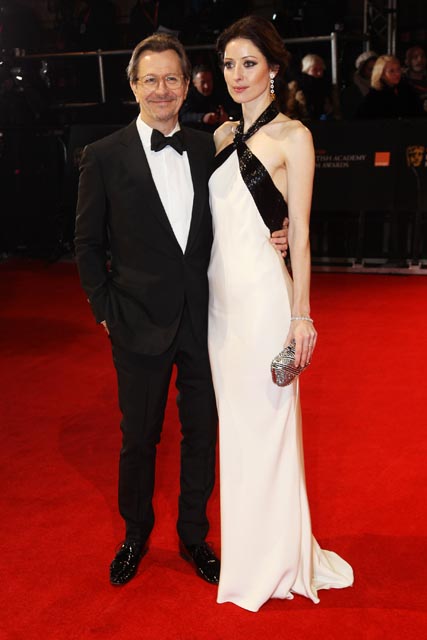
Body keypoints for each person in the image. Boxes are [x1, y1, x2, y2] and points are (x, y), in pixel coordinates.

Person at [74, 32, 288, 588]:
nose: (162, 89)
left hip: (204, 320)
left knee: (202, 433)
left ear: (188, 84)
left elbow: (240, 211)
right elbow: (87, 245)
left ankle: (195, 535)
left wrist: (278, 232)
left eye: (172, 78)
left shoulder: (207, 147)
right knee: (139, 438)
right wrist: (105, 310)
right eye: (150, 79)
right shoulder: (103, 156)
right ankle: (135, 535)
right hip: (136, 322)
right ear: (133, 85)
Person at [208, 16, 354, 612]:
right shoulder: (220, 138)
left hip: (267, 301)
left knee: (269, 428)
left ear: (272, 68)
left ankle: (279, 560)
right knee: (237, 433)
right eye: (228, 64)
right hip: (221, 308)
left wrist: (301, 316)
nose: (237, 75)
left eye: (249, 63)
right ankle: (247, 556)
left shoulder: (294, 135)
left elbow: (302, 234)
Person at [356, 54, 423, 119]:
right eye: (391, 71)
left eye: (398, 69)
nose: (397, 74)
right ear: (381, 74)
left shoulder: (407, 89)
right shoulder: (374, 97)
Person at [180, 64, 229, 133]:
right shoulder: (187, 96)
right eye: (202, 82)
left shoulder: (219, 92)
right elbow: (183, 117)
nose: (206, 86)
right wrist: (202, 117)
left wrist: (226, 117)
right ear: (194, 83)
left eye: (209, 81)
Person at [340, 50, 378, 119]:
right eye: (370, 69)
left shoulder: (383, 87)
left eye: (376, 69)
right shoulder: (350, 92)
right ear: (362, 69)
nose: (374, 73)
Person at [402, 45, 427, 114]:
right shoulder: (401, 79)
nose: (420, 60)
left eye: (423, 56)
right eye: (415, 57)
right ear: (407, 61)